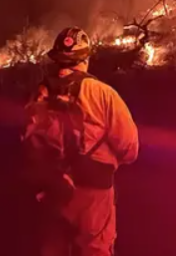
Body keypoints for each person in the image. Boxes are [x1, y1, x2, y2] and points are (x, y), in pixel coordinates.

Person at [22, 26, 139, 256]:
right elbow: (130, 149)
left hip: (53, 192)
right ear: (85, 58)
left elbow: (28, 143)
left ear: (56, 60)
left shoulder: (39, 95)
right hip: (94, 195)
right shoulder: (103, 94)